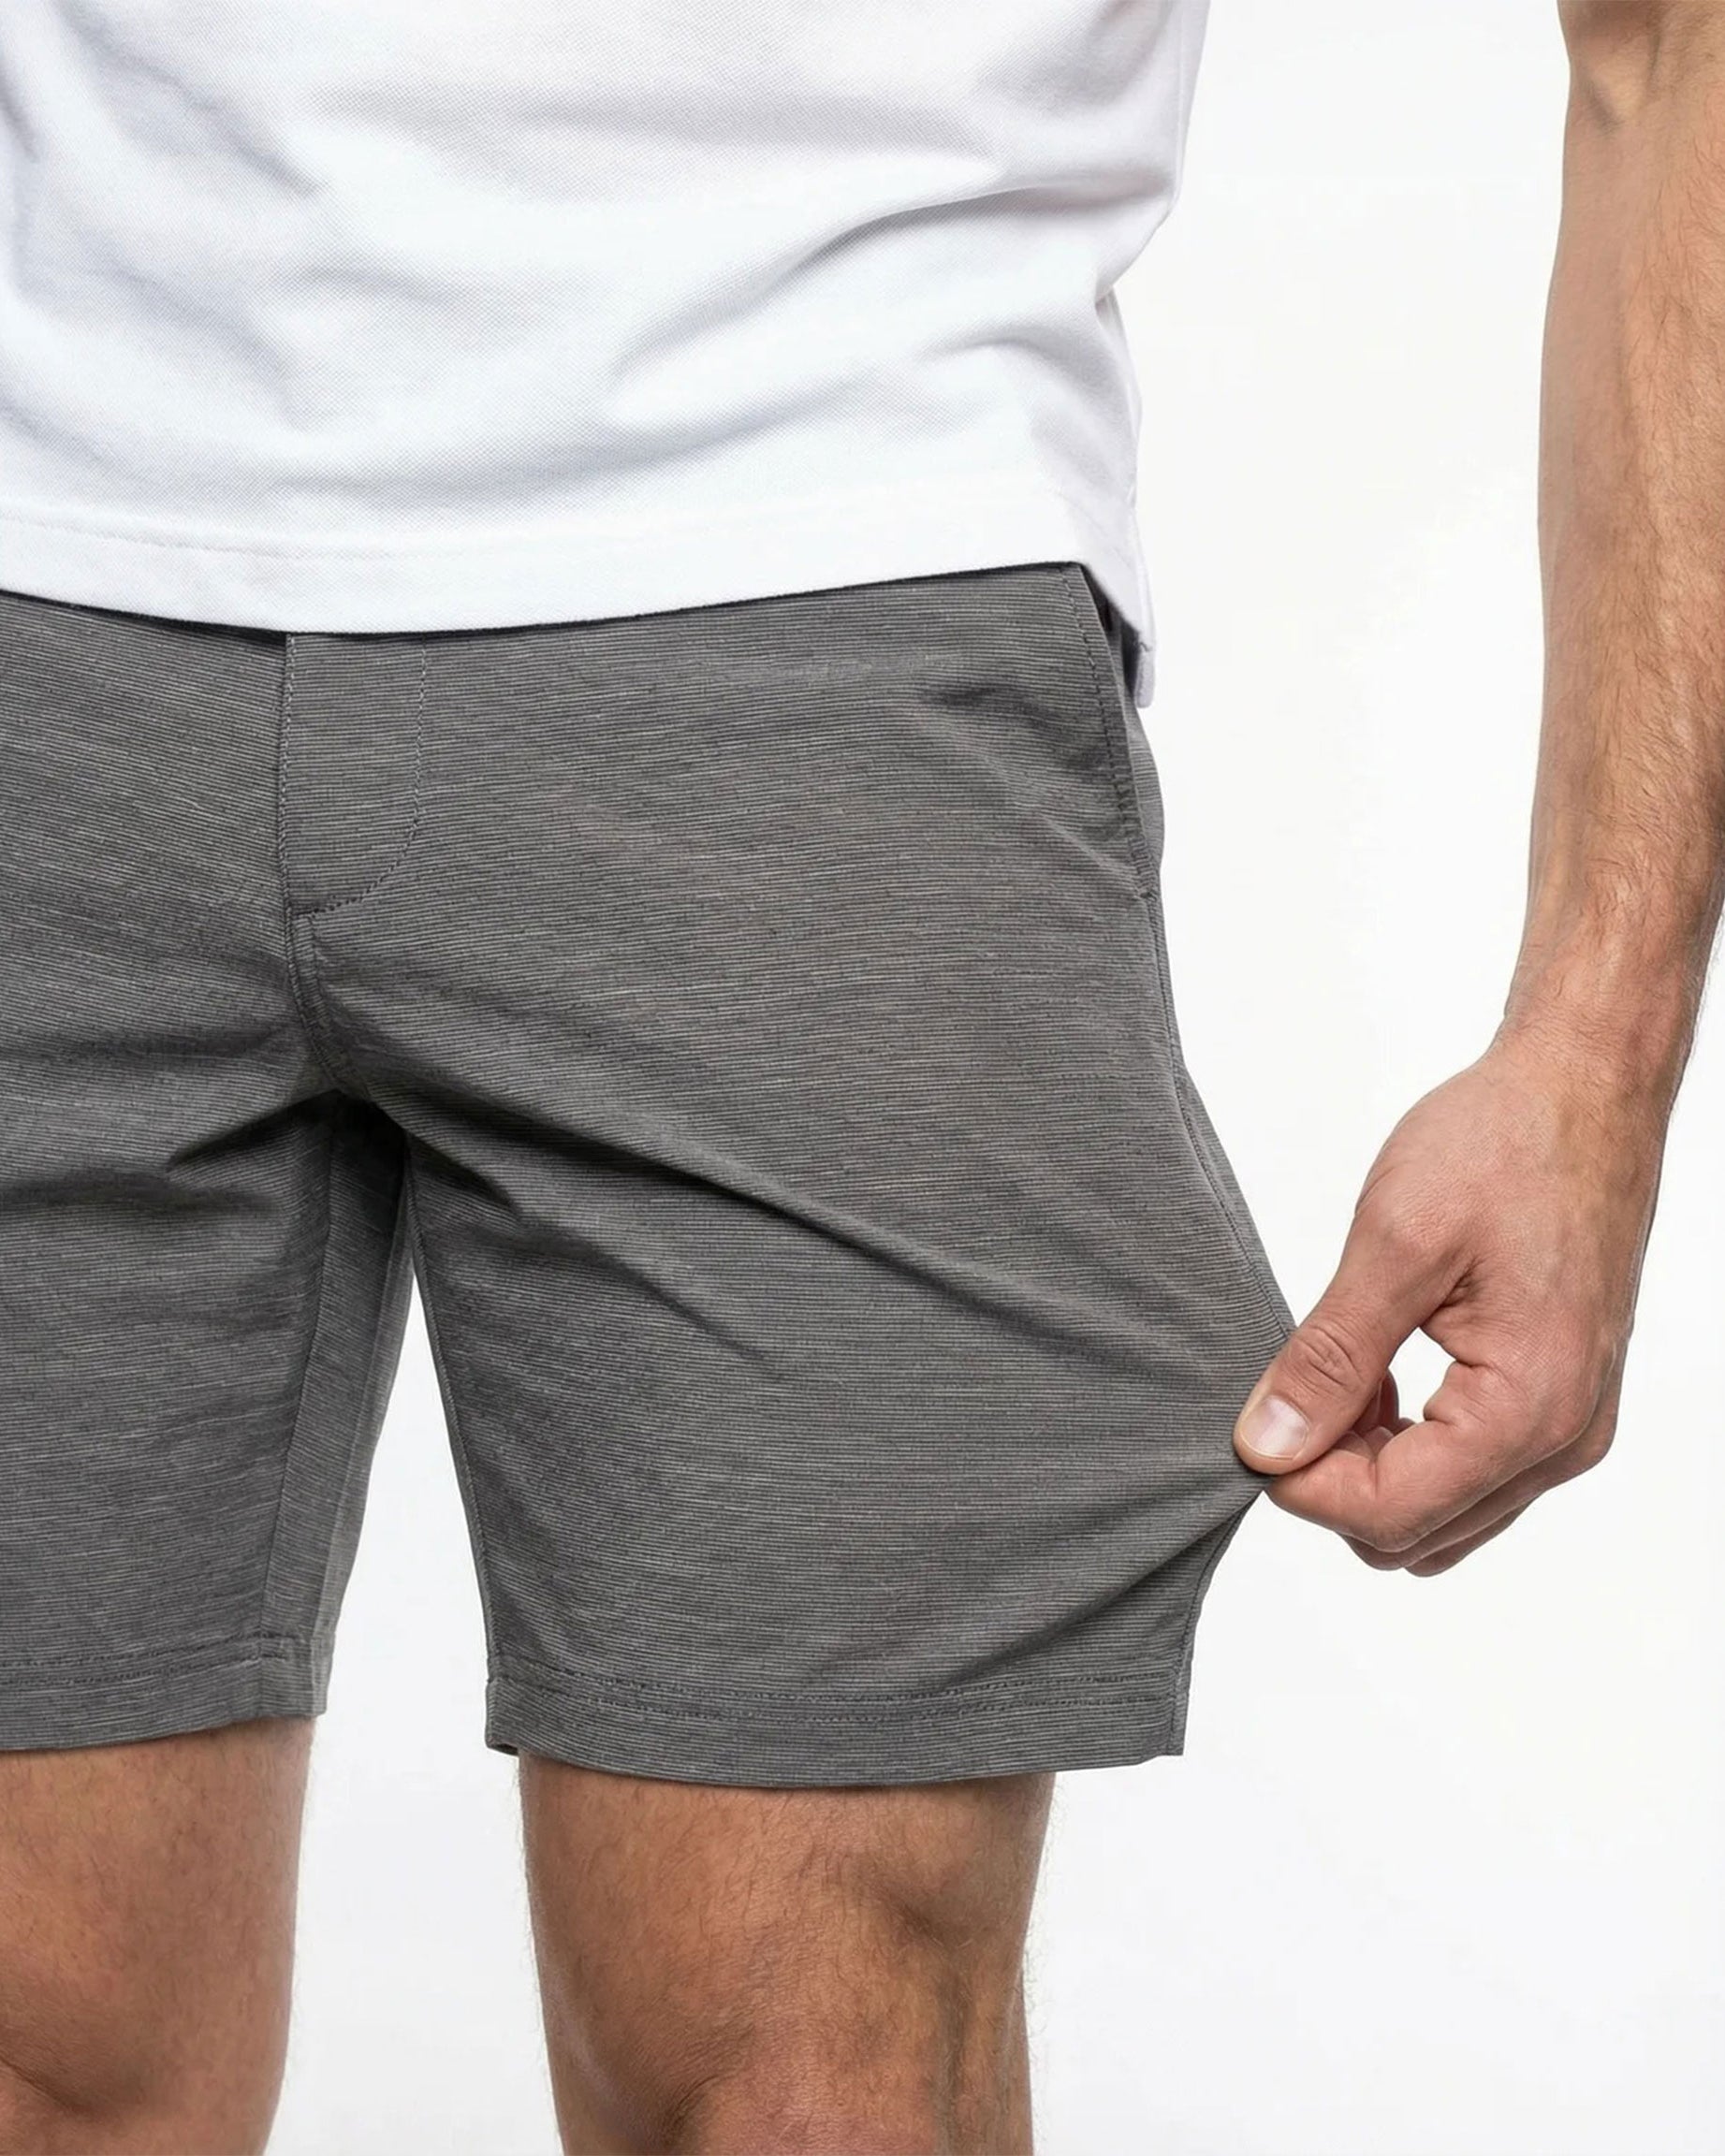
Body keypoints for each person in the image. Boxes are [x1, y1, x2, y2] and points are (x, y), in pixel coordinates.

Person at [0, 0, 1718, 2149]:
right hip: (36, 577)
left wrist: (1595, 1044)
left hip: (825, 592)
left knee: (811, 2086)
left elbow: (1671, 45)